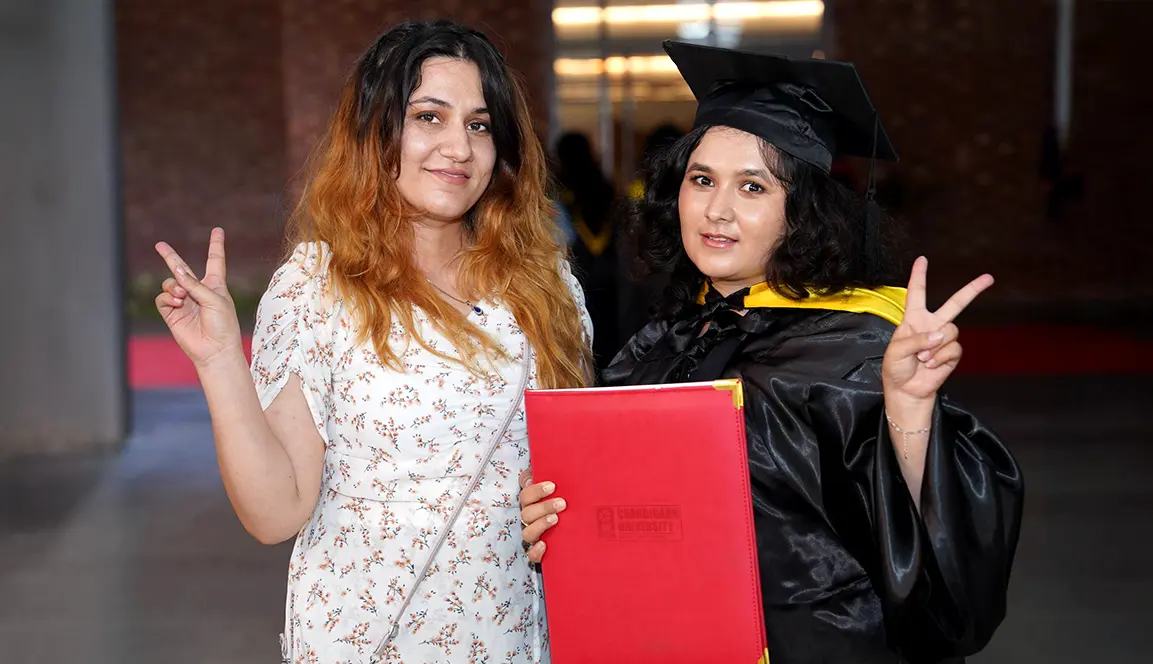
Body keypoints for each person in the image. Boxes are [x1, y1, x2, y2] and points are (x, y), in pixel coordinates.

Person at [518, 41, 1023, 663]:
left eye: (753, 187)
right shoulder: (668, 338)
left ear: (801, 212)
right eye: (701, 180)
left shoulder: (854, 350)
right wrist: (560, 518)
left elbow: (947, 576)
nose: (717, 209)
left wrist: (911, 412)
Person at [152, 20, 593, 664]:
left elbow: (576, 472)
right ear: (375, 132)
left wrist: (553, 505)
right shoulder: (317, 286)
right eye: (428, 117)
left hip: (512, 633)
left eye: (478, 124)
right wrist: (221, 360)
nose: (458, 148)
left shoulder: (546, 288)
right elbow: (276, 513)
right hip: (364, 633)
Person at [553, 131, 620, 377]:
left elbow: (563, 238)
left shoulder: (562, 190)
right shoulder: (605, 186)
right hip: (610, 274)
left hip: (580, 272)